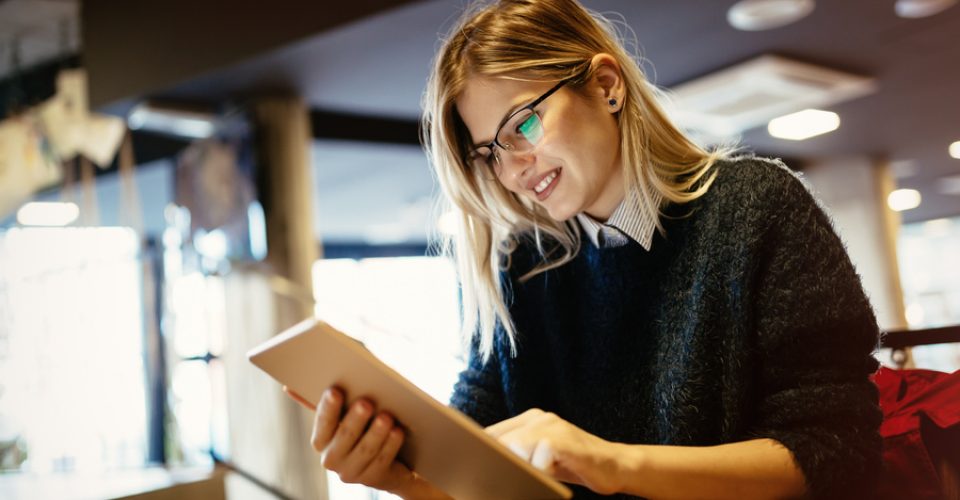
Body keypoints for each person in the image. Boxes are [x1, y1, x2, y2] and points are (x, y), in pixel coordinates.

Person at [285, 0, 883, 497]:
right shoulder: (518, 267)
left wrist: (610, 462)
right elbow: (481, 480)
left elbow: (835, 451)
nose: (512, 170)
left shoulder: (755, 208)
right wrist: (396, 472)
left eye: (522, 126)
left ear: (605, 85)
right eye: (489, 152)